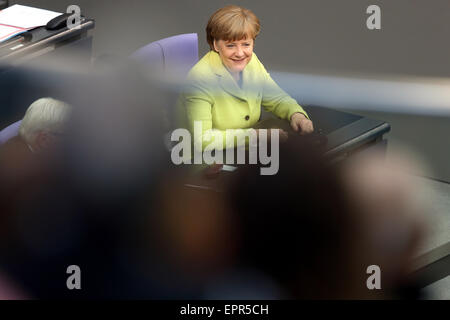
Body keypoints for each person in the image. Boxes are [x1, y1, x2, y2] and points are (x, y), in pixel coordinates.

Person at [178, 5, 314, 153]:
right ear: (216, 45)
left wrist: (297, 115)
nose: (240, 53)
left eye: (246, 44)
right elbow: (203, 140)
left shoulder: (251, 62)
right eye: (230, 45)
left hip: (245, 150)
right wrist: (257, 136)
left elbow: (276, 98)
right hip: (205, 158)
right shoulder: (199, 79)